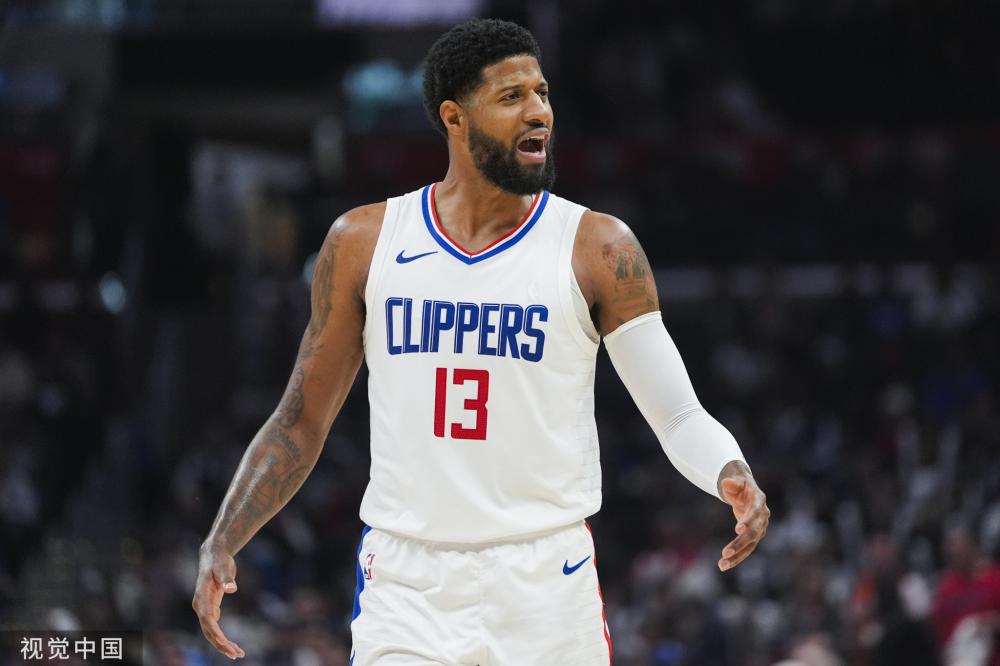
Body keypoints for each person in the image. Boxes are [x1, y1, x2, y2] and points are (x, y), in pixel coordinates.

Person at [191, 18, 770, 665]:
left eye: (542, 93)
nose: (539, 112)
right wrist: (224, 537)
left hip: (545, 581)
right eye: (512, 96)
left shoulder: (599, 247)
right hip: (407, 582)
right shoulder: (363, 241)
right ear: (455, 118)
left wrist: (730, 471)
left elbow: (678, 413)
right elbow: (300, 421)